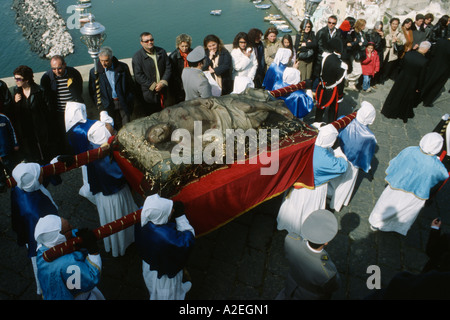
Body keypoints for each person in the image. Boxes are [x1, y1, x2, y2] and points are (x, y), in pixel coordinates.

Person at [368, 132, 448, 236]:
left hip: (397, 185)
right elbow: (444, 175)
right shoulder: (437, 165)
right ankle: (396, 227)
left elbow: (396, 162)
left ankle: (375, 223)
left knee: (386, 204)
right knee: (406, 211)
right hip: (417, 192)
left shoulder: (410, 150)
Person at [277, 124, 348, 235]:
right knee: (308, 209)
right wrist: (341, 155)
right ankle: (302, 229)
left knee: (293, 205)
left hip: (297, 184)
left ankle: (286, 223)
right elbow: (342, 167)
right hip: (313, 189)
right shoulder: (326, 160)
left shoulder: (307, 143)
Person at [85, 116, 138, 257]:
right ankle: (126, 243)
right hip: (115, 195)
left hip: (103, 197)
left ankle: (116, 245)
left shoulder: (91, 151)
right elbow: (118, 174)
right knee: (121, 219)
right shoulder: (104, 155)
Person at [10, 162, 59, 295]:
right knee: (45, 264)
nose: (42, 174)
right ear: (34, 182)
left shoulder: (19, 188)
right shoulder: (37, 210)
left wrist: (55, 161)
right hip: (41, 242)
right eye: (39, 175)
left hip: (27, 231)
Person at [134, 194, 195, 300]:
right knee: (168, 294)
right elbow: (187, 241)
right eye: (169, 210)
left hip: (149, 264)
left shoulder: (143, 216)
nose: (172, 211)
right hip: (164, 275)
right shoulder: (166, 238)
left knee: (152, 285)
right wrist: (180, 217)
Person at [34, 215, 104, 300]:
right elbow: (91, 278)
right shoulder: (68, 264)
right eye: (69, 228)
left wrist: (77, 234)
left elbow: (64, 238)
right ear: (60, 237)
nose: (72, 226)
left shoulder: (43, 247)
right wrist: (93, 251)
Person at [276, 209, 340, 300]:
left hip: (291, 284)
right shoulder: (328, 272)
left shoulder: (290, 239)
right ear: (326, 242)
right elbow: (334, 287)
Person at [327, 101, 377, 212]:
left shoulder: (345, 119)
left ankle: (326, 194)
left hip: (339, 152)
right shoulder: (369, 136)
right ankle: (336, 203)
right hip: (353, 162)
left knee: (331, 179)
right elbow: (367, 154)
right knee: (345, 184)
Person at [40, 55, 84, 155]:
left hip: (74, 112)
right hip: (58, 113)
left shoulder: (73, 73)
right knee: (62, 136)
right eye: (54, 69)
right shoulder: (47, 78)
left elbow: (79, 89)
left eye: (59, 68)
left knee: (77, 133)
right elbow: (46, 96)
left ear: (64, 65)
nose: (57, 71)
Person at [381, 41, 431, 123]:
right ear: (426, 49)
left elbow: (401, 65)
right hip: (412, 81)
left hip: (402, 77)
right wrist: (419, 87)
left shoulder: (408, 54)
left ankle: (389, 110)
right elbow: (422, 76)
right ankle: (400, 113)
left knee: (396, 94)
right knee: (405, 97)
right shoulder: (424, 61)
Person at [12, 65, 53, 164]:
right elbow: (16, 113)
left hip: (40, 127)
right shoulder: (16, 92)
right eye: (15, 78)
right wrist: (15, 102)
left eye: (18, 79)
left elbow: (49, 109)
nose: (16, 81)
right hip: (26, 129)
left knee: (45, 150)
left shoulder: (39, 91)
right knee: (31, 152)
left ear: (26, 79)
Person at [89, 46, 134, 130]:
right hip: (107, 104)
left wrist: (129, 99)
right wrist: (100, 105)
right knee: (111, 128)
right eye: (101, 60)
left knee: (127, 127)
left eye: (106, 60)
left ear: (111, 58)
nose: (103, 64)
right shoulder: (95, 72)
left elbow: (130, 85)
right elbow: (93, 91)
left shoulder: (123, 67)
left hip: (122, 101)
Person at [132, 32, 172, 116]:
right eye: (146, 41)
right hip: (149, 94)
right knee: (153, 115)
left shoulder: (161, 52)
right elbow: (138, 76)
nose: (150, 42)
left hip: (164, 90)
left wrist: (162, 82)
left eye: (151, 40)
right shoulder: (137, 57)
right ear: (141, 43)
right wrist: (153, 86)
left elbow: (168, 68)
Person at [314, 38, 348, 123]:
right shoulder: (342, 65)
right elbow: (340, 84)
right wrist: (340, 96)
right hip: (333, 89)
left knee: (320, 108)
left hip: (322, 86)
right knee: (333, 109)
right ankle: (331, 125)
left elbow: (319, 71)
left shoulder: (325, 57)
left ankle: (316, 123)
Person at [420, 38, 450, 107]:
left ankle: (419, 96)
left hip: (433, 65)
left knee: (427, 81)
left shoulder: (440, 41)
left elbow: (432, 52)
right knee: (437, 86)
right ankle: (427, 101)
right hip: (445, 70)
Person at [313, 15, 339, 86]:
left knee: (327, 75)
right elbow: (318, 45)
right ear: (327, 22)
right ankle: (314, 91)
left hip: (331, 58)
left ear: (335, 24)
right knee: (318, 75)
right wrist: (326, 53)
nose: (331, 24)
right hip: (321, 58)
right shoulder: (321, 32)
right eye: (329, 22)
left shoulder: (337, 33)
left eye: (333, 23)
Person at [168, 34, 193, 104]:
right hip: (179, 84)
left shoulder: (192, 52)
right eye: (182, 46)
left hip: (191, 80)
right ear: (178, 45)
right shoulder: (173, 57)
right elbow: (173, 74)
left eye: (186, 46)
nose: (184, 48)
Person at [382, 17, 405, 82]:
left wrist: (398, 40)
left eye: (396, 24)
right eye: (393, 24)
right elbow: (383, 39)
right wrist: (391, 41)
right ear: (390, 24)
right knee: (382, 64)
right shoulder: (386, 30)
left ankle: (384, 78)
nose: (394, 25)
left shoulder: (400, 32)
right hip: (385, 50)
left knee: (388, 66)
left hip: (393, 51)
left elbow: (404, 41)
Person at [347, 19, 367, 91]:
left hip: (361, 53)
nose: (364, 27)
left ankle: (351, 84)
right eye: (363, 25)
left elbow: (365, 42)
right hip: (355, 54)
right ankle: (346, 78)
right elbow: (356, 43)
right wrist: (360, 43)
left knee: (355, 69)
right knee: (358, 71)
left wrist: (362, 43)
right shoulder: (354, 32)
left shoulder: (362, 33)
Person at [366, 21, 385, 87]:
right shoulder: (371, 33)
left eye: (380, 28)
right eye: (378, 27)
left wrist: (382, 37)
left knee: (376, 68)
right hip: (373, 52)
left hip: (379, 53)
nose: (379, 29)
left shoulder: (381, 34)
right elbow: (373, 45)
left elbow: (383, 45)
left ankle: (372, 82)